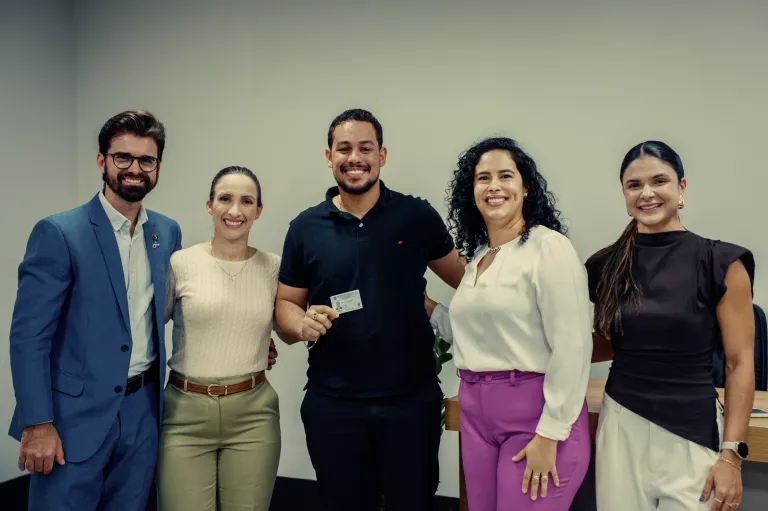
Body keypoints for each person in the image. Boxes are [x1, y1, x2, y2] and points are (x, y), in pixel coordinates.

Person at [274, 108, 465, 511]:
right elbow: (286, 305)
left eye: (365, 148)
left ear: (382, 155)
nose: (355, 158)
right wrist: (301, 323)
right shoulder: (305, 228)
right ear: (329, 156)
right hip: (334, 405)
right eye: (344, 148)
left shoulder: (416, 216)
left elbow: (471, 283)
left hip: (410, 402)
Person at [8, 110, 181, 510]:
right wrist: (37, 422)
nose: (135, 169)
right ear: (102, 161)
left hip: (142, 411)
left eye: (147, 160)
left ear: (158, 167)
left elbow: (174, 306)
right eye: (123, 157)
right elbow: (29, 337)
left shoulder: (166, 232)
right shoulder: (59, 232)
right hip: (71, 417)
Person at [586, 141, 755, 511]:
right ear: (624, 193)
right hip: (621, 426)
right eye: (634, 185)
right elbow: (613, 342)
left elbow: (739, 362)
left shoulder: (721, 262)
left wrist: (731, 456)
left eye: (659, 181)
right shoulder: (605, 265)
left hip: (692, 433)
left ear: (681, 187)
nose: (646, 193)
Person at [426, 137, 592, 511]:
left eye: (505, 176)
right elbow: (479, 337)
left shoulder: (548, 248)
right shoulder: (480, 257)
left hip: (535, 417)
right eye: (483, 178)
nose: (494, 186)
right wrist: (426, 305)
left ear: (526, 186)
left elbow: (573, 346)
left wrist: (550, 433)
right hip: (476, 415)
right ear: (472, 192)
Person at [157, 166, 286, 510]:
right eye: (225, 199)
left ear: (258, 211)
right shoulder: (180, 263)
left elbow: (286, 326)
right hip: (184, 413)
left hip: (253, 414)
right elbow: (149, 328)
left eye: (247, 201)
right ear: (209, 205)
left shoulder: (273, 267)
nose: (235, 210)